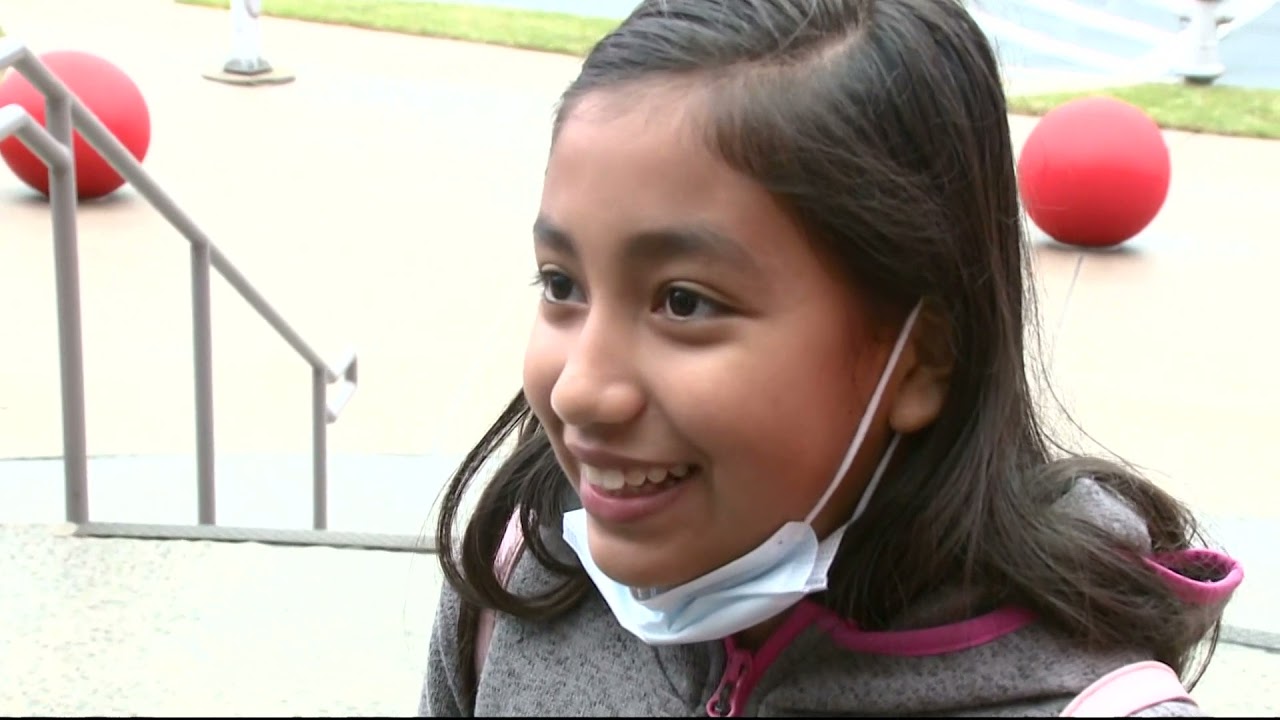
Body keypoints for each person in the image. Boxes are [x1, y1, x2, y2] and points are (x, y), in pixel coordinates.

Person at [421, 0, 1242, 715]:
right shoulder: (514, 591)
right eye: (562, 284)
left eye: (684, 302)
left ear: (920, 359)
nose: (581, 391)